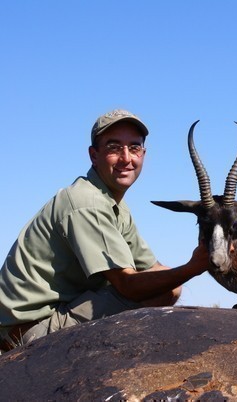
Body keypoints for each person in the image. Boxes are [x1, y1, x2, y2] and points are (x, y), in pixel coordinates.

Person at [0, 109, 209, 351]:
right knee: (161, 290)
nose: (126, 158)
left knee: (168, 286)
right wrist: (193, 268)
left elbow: (153, 268)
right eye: (113, 147)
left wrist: (218, 256)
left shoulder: (114, 203)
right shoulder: (86, 203)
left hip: (56, 312)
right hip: (31, 329)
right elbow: (128, 285)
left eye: (134, 147)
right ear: (93, 155)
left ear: (144, 153)